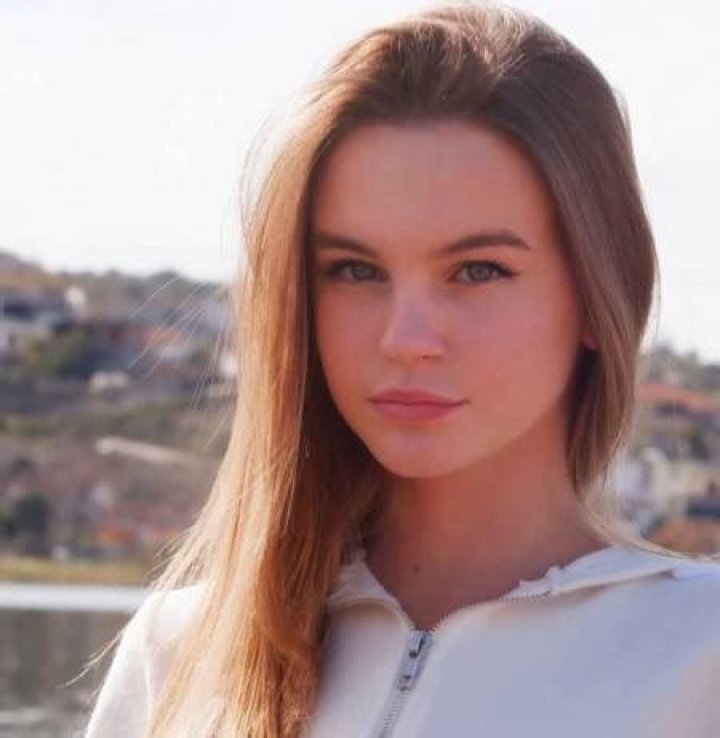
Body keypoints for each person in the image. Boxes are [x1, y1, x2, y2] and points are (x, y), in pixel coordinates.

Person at [82, 3, 720, 737]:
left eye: (478, 270)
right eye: (355, 270)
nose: (405, 338)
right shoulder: (180, 653)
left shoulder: (699, 654)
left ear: (598, 293)